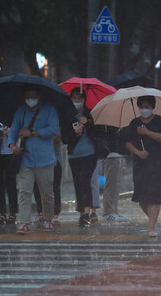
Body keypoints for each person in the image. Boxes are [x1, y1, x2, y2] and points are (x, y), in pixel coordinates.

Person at [9, 85, 60, 234]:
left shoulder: (49, 109)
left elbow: (53, 129)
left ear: (38, 96)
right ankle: (24, 222)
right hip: (25, 157)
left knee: (46, 191)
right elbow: (14, 128)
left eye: (33, 96)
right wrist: (12, 145)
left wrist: (32, 133)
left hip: (45, 158)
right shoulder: (21, 110)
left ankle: (48, 218)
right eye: (27, 96)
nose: (30, 99)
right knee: (24, 190)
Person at [124, 96, 161, 237]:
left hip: (158, 162)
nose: (145, 109)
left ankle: (151, 228)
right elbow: (127, 142)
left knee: (155, 195)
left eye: (148, 107)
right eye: (142, 106)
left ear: (152, 107)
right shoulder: (134, 123)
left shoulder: (160, 121)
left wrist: (147, 132)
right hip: (140, 164)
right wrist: (138, 152)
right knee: (142, 198)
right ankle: (152, 219)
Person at [64, 88, 98, 227]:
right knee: (78, 183)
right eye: (75, 98)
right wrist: (74, 131)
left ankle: (86, 213)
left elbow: (98, 132)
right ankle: (81, 212)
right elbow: (65, 137)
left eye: (80, 98)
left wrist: (88, 123)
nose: (77, 101)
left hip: (89, 153)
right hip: (74, 155)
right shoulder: (67, 115)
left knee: (85, 180)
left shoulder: (90, 114)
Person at [96, 125, 130, 221]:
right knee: (111, 184)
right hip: (110, 154)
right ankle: (108, 211)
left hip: (119, 153)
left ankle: (115, 209)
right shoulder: (107, 124)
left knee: (117, 185)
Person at [33, 136, 63, 223]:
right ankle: (40, 210)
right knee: (37, 186)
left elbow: (58, 138)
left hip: (55, 161)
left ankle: (55, 210)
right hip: (38, 160)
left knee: (54, 187)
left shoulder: (55, 124)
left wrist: (43, 137)